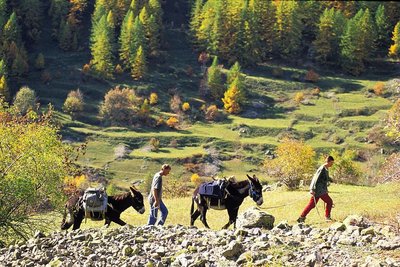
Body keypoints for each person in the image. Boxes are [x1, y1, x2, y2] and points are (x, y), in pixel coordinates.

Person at [297, 156, 334, 223]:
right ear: (328, 162)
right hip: (319, 190)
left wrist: (331, 180)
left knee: (312, 205)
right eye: (331, 162)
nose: (332, 164)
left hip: (321, 190)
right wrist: (312, 189)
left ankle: (301, 217)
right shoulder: (322, 168)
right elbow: (315, 179)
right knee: (329, 202)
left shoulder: (326, 168)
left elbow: (325, 178)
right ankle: (327, 217)